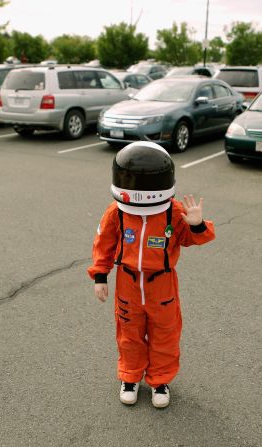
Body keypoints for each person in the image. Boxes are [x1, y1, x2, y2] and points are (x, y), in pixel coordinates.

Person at [88, 141, 215, 408]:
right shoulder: (118, 212)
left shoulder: (174, 212)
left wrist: (197, 224)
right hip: (128, 282)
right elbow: (104, 242)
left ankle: (159, 381)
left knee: (165, 335)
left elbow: (197, 238)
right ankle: (130, 377)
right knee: (129, 334)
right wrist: (100, 276)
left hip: (162, 285)